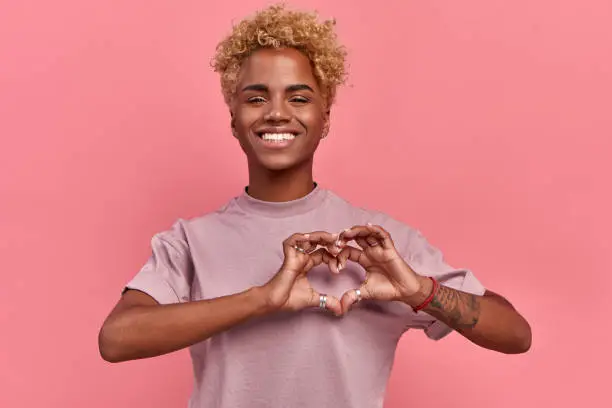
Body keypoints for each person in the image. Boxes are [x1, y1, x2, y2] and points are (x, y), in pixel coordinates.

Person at [98, 4, 532, 408]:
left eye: (299, 97)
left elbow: (515, 333)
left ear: (326, 118)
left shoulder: (382, 244)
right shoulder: (191, 241)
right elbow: (116, 339)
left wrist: (418, 290)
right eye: (255, 98)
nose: (276, 113)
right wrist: (262, 299)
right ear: (234, 119)